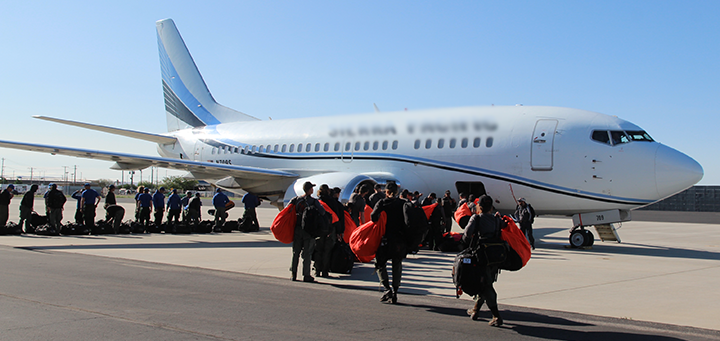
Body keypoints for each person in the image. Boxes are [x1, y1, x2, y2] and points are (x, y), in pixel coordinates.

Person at [462, 195, 506, 327]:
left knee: (486, 286)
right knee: (486, 282)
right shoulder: (497, 219)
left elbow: (467, 234)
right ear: (491, 207)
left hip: (482, 256)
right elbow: (505, 225)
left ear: (479, 207)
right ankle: (475, 310)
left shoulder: (476, 218)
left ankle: (496, 315)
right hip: (495, 257)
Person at [371, 182, 407, 304]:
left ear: (386, 192)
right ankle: (395, 291)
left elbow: (373, 217)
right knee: (397, 265)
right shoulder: (403, 204)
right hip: (399, 239)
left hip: (385, 239)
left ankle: (387, 288)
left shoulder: (382, 203)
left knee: (380, 263)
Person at [289, 181, 326, 282]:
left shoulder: (296, 200)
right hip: (309, 231)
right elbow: (322, 212)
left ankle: (293, 274)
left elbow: (288, 210)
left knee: (295, 252)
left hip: (297, 229)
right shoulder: (314, 201)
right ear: (310, 190)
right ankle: (306, 275)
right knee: (307, 253)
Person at [315, 184, 342, 278]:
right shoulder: (332, 202)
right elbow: (336, 218)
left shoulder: (317, 201)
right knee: (327, 251)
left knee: (318, 250)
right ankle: (325, 271)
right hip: (330, 230)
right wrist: (339, 231)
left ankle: (317, 270)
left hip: (319, 229)